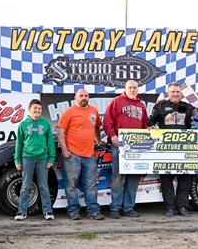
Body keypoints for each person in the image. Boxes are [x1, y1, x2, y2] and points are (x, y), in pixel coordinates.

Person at [147, 82, 194, 217]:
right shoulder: (160, 106)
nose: (175, 94)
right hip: (165, 150)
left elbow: (194, 126)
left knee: (185, 178)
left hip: (184, 149)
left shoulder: (188, 107)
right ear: (168, 93)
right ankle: (169, 208)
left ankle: (182, 207)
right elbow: (149, 124)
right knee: (166, 179)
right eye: (172, 92)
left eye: (177, 92)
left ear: (181, 93)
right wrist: (152, 129)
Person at [103, 80, 148, 219]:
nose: (132, 90)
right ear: (125, 88)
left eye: (135, 88)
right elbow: (107, 121)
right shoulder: (117, 101)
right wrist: (112, 136)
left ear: (138, 90)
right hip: (119, 145)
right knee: (118, 177)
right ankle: (115, 208)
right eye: (130, 87)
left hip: (136, 147)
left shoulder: (141, 105)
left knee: (133, 178)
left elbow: (145, 125)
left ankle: (128, 208)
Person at [58, 89, 104, 220]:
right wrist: (65, 150)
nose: (84, 97)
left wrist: (98, 140)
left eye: (86, 95)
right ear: (75, 97)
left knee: (91, 185)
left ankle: (93, 211)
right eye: (81, 95)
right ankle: (73, 211)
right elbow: (61, 131)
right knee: (71, 185)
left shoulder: (93, 111)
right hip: (72, 155)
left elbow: (96, 127)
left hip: (89, 155)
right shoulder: (69, 112)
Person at [14, 99, 56, 221]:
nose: (37, 111)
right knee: (26, 186)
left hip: (43, 158)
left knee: (43, 185)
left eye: (39, 109)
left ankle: (48, 211)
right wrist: (17, 160)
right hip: (27, 158)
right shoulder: (23, 124)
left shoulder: (46, 124)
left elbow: (50, 143)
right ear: (29, 109)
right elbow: (19, 144)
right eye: (35, 108)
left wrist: (51, 159)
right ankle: (22, 212)